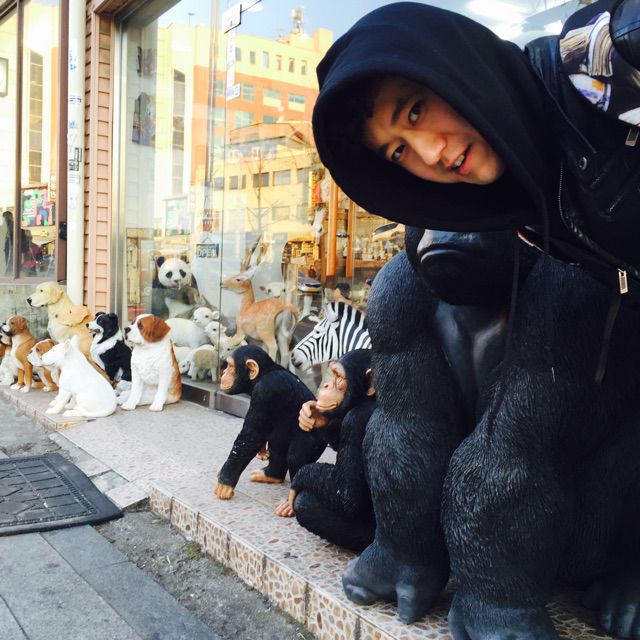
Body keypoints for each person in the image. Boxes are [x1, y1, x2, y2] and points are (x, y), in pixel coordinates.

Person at [312, 0, 640, 299]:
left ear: (455, 64)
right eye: (398, 151)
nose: (429, 154)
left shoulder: (607, 53)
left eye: (415, 112)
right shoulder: (523, 208)